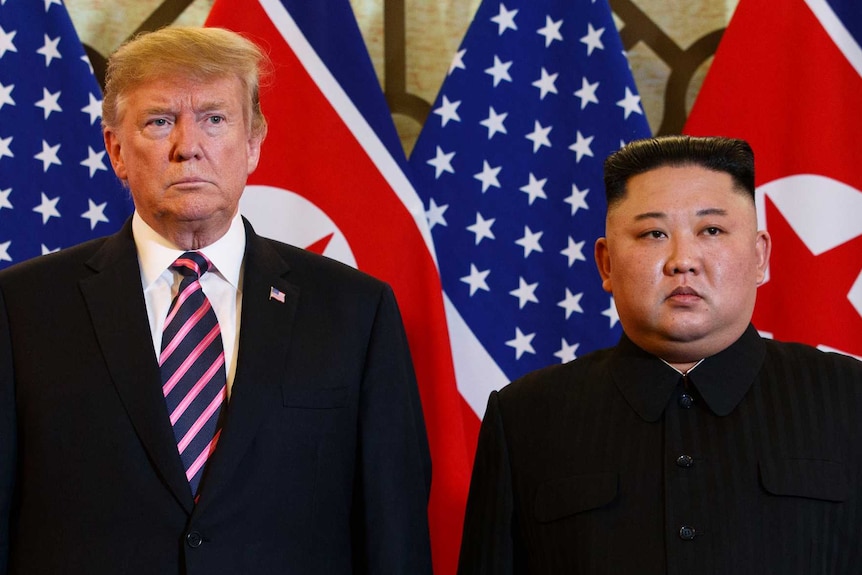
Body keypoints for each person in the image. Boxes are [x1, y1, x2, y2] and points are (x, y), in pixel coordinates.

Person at [0, 27, 432, 574]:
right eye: (160, 121)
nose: (188, 146)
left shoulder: (354, 312)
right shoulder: (21, 309)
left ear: (253, 144)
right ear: (116, 150)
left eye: (215, 119)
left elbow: (394, 536)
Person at [456, 135, 862, 574]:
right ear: (606, 264)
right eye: (653, 233)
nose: (682, 260)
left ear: (760, 256)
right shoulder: (524, 416)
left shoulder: (849, 398)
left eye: (711, 230)